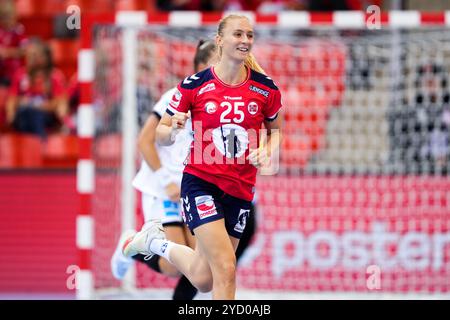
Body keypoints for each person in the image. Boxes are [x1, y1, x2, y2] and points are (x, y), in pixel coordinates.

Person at [122, 14, 283, 300]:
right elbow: (159, 133)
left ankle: (155, 244)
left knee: (204, 278)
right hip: (201, 183)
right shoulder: (193, 85)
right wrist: (173, 130)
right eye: (237, 34)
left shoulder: (266, 88)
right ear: (219, 40)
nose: (245, 40)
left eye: (249, 35)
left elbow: (276, 132)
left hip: (240, 189)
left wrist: (267, 150)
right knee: (226, 268)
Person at [6, 37, 68, 138]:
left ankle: (37, 144)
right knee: (25, 114)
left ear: (45, 58)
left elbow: (59, 102)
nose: (32, 58)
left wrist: (34, 105)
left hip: (45, 115)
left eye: (35, 55)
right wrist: (11, 113)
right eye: (30, 55)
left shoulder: (54, 76)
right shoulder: (19, 74)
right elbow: (12, 99)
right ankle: (35, 144)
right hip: (23, 114)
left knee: (35, 115)